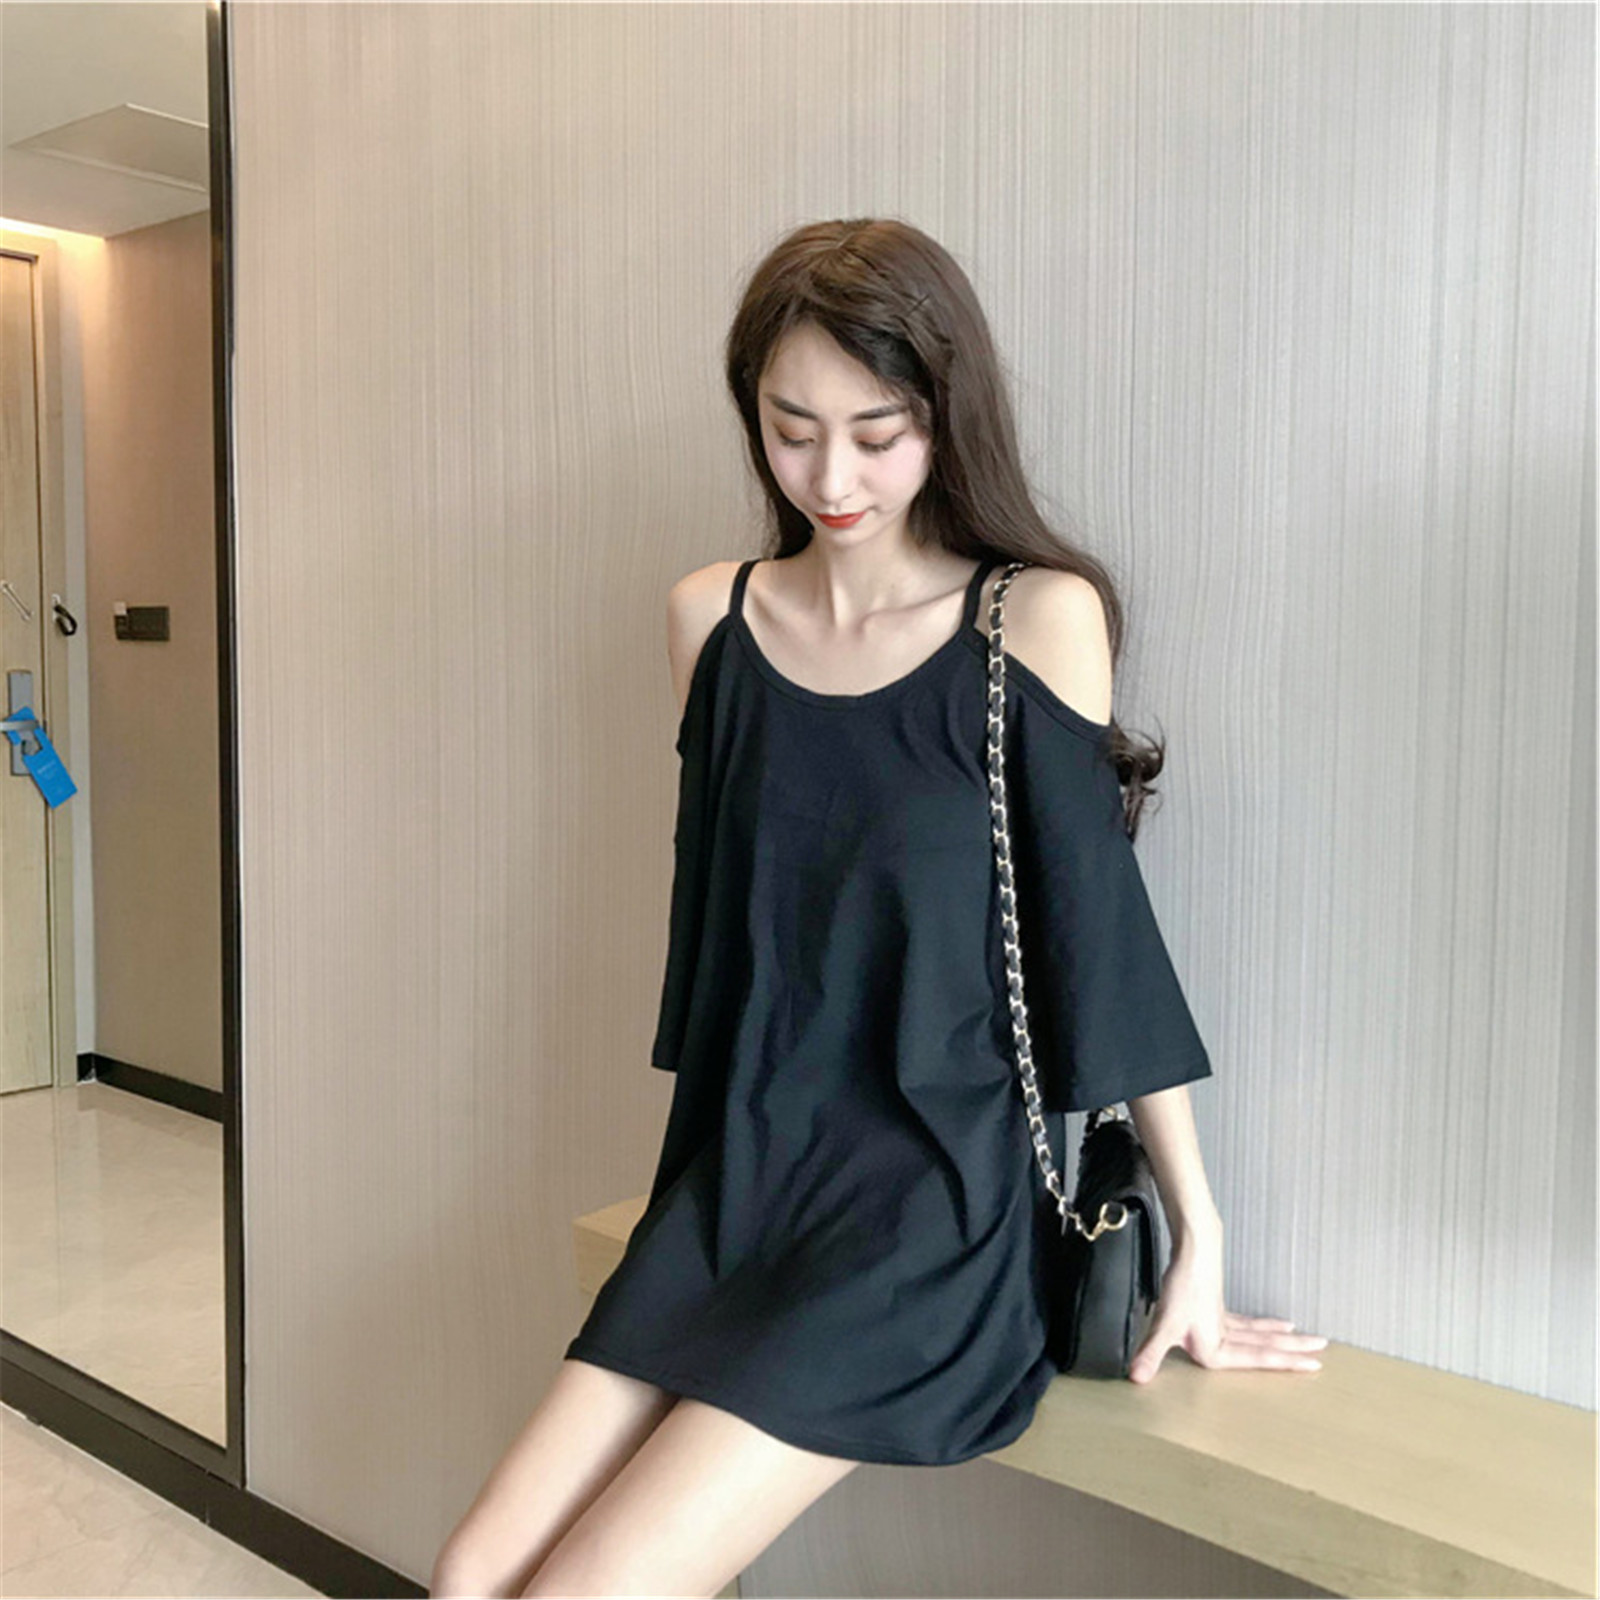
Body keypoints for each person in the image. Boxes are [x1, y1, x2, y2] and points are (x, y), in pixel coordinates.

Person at [430, 218, 1327, 1600]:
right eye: (792, 431)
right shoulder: (710, 623)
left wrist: (1197, 1232)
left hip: (930, 1206)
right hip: (739, 1175)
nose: (832, 478)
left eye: (877, 432)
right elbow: (742, 929)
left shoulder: (1033, 620)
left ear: (944, 417)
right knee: (471, 1571)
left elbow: (1099, 943)